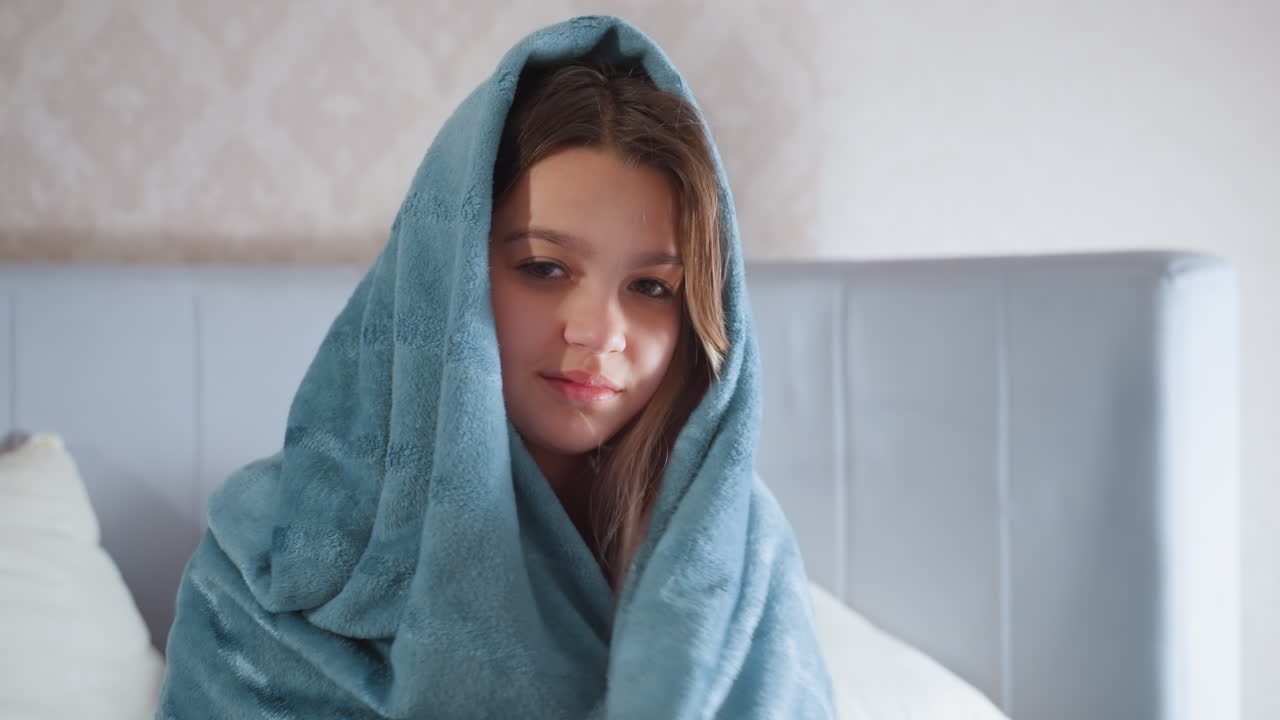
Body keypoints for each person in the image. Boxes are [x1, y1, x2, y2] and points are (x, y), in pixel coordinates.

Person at [158, 15, 835, 719]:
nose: (599, 332)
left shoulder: (735, 556)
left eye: (651, 287)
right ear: (448, 278)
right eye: (544, 267)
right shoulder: (267, 565)